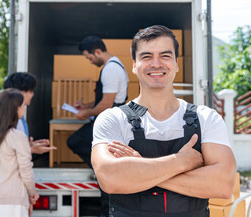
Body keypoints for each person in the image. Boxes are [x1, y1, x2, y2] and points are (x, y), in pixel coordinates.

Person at [91, 25, 236, 216]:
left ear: (176, 63)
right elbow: (109, 178)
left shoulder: (206, 118)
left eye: (165, 56)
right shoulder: (113, 119)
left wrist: (139, 166)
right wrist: (181, 163)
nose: (156, 64)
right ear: (134, 65)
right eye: (146, 56)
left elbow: (223, 184)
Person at [67, 36, 129, 167]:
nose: (90, 62)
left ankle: (102, 170)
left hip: (109, 120)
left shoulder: (111, 69)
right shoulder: (114, 65)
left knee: (75, 142)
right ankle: (102, 168)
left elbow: (106, 104)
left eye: (90, 58)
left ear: (98, 52)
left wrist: (85, 114)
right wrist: (86, 106)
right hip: (109, 118)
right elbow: (104, 99)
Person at [0, 89, 39, 217]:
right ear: (16, 109)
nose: (24, 108)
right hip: (14, 201)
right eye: (23, 105)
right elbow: (25, 170)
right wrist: (32, 192)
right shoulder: (18, 136)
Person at [0, 72, 56, 155]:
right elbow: (2, 150)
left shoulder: (19, 116)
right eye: (30, 91)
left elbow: (14, 144)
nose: (32, 94)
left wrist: (30, 145)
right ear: (21, 94)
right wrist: (31, 149)